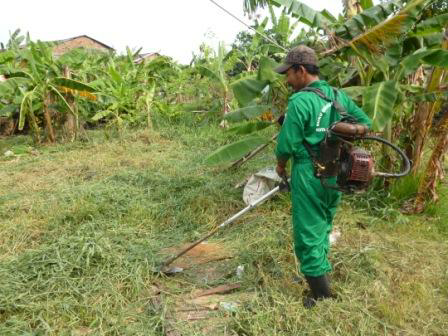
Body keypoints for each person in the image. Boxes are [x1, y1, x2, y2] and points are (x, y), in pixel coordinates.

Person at [274, 45, 372, 308]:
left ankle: (321, 296)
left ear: (301, 70)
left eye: (288, 74)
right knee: (323, 224)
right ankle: (319, 274)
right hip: (336, 174)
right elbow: (365, 123)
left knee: (308, 233)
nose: (287, 79)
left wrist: (281, 165)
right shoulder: (337, 95)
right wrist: (337, 133)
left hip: (308, 172)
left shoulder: (300, 100)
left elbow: (286, 144)